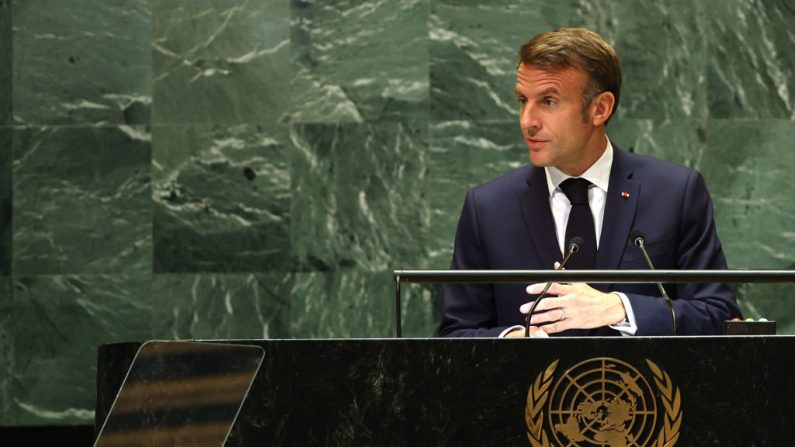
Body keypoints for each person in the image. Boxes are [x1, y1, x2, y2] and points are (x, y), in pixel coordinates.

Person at [438, 28, 742, 338]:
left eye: (549, 101)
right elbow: (454, 335)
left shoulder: (675, 193)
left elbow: (720, 316)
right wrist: (510, 341)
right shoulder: (488, 208)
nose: (527, 120)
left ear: (600, 108)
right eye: (522, 100)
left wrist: (621, 308)